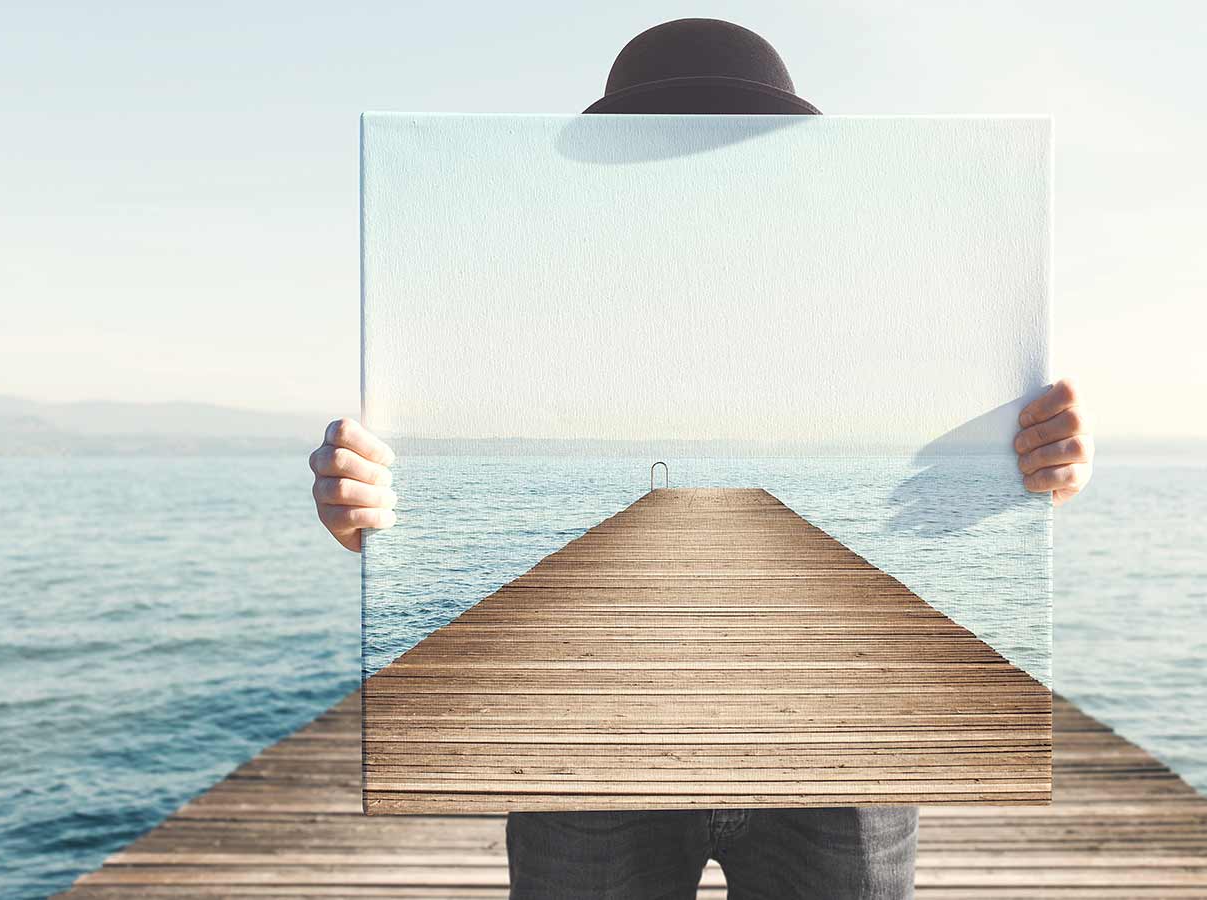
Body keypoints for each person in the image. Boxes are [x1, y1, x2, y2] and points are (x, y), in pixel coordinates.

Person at [309, 18, 1095, 900]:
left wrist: (1024, 478)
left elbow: (932, 506)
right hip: (591, 740)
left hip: (841, 737)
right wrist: (376, 517)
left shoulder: (880, 306)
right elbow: (465, 521)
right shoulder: (529, 313)